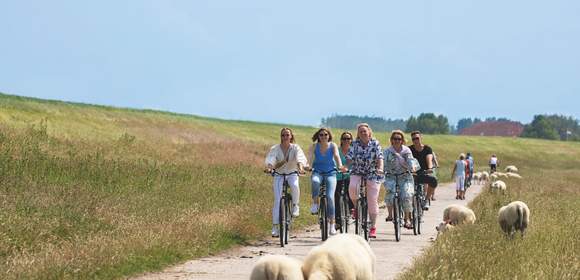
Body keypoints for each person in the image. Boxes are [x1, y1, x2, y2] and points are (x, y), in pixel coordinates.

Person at [264, 128, 307, 237]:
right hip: (279, 174)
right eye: (283, 135)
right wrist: (269, 168)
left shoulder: (295, 148)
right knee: (278, 200)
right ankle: (275, 226)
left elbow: (300, 159)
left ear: (291, 136)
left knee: (294, 185)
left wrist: (301, 168)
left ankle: (295, 205)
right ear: (281, 137)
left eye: (287, 135)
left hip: (292, 173)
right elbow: (271, 159)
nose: (285, 137)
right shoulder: (275, 148)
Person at [346, 123, 384, 238]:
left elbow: (379, 157)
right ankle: (356, 207)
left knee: (372, 199)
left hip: (372, 173)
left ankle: (373, 227)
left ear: (369, 132)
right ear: (358, 133)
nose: (363, 133)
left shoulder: (375, 143)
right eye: (360, 131)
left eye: (365, 131)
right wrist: (346, 167)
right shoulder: (354, 144)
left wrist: (380, 168)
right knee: (352, 188)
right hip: (357, 171)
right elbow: (349, 158)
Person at [306, 128, 346, 236]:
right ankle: (315, 203)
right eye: (321, 135)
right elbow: (309, 157)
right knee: (315, 181)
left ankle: (332, 224)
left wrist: (340, 166)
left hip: (330, 173)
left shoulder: (332, 146)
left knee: (330, 197)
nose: (323, 136)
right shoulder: (314, 146)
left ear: (329, 136)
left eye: (325, 134)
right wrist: (308, 166)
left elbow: (337, 157)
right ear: (318, 136)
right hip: (317, 172)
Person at [384, 130, 418, 230]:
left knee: (407, 195)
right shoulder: (387, 151)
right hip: (391, 176)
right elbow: (383, 162)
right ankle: (390, 214)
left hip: (405, 176)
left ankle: (407, 219)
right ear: (391, 140)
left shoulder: (406, 150)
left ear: (402, 140)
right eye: (395, 139)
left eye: (399, 139)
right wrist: (380, 170)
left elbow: (410, 160)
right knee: (390, 193)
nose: (397, 141)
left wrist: (413, 168)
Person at [409, 131, 438, 205]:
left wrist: (430, 168)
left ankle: (426, 199)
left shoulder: (427, 149)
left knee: (433, 181)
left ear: (421, 138)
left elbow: (429, 158)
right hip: (412, 173)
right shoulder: (409, 149)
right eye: (413, 139)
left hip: (424, 172)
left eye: (417, 138)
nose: (415, 140)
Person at [335, 131, 354, 231]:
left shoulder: (353, 151)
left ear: (351, 140)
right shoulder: (337, 151)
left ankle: (351, 209)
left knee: (350, 190)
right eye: (344, 138)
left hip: (350, 175)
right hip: (338, 176)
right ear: (341, 140)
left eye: (348, 138)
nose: (346, 140)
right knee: (336, 196)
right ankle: (338, 220)